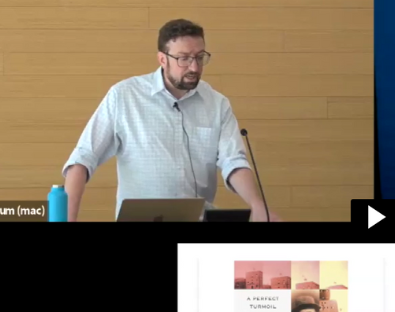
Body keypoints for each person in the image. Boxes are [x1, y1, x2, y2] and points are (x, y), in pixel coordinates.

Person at [61, 18, 280, 222]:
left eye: (199, 57)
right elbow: (82, 159)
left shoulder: (217, 103)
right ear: (162, 59)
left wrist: (257, 204)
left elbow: (234, 161)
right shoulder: (124, 96)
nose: (194, 67)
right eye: (184, 58)